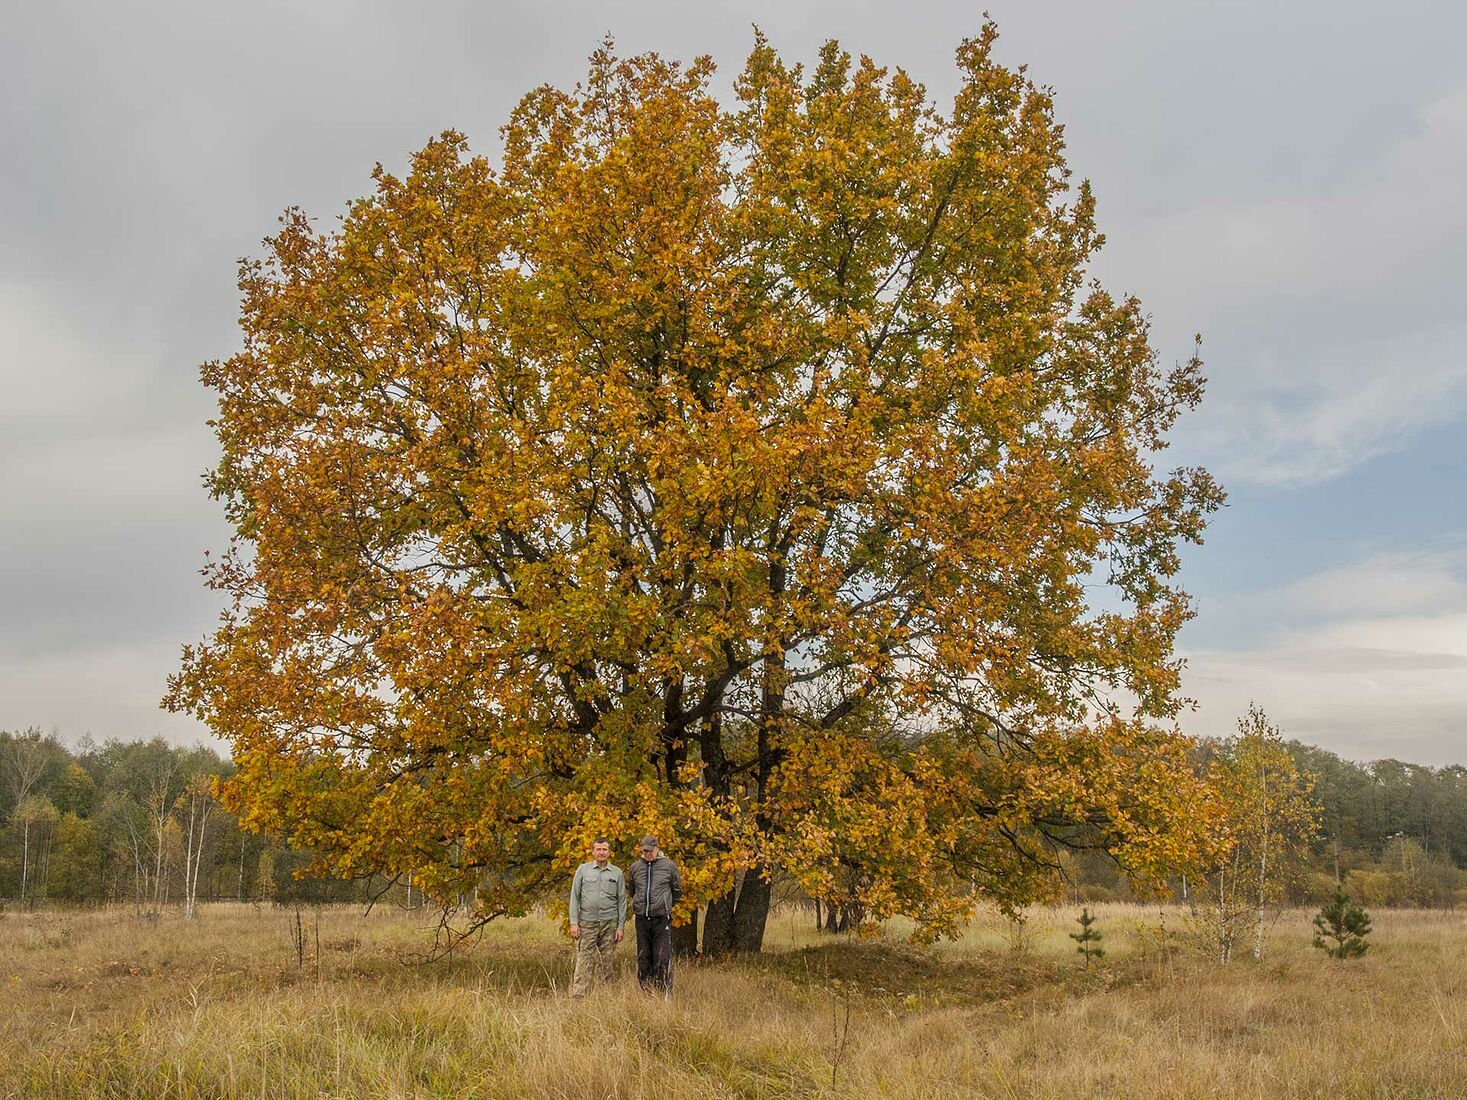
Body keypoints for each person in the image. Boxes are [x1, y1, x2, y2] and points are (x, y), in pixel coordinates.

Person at [568, 837, 626, 997]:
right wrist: (573, 923)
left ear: (609, 852)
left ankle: (604, 996)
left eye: (604, 849)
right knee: (583, 961)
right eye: (598, 849)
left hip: (609, 924)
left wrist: (620, 926)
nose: (601, 852)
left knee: (606, 962)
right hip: (587, 924)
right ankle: (578, 996)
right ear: (593, 851)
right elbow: (575, 897)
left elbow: (622, 901)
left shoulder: (617, 873)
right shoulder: (583, 870)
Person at [626, 834, 682, 993]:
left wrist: (666, 906)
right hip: (642, 919)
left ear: (657, 848)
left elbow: (677, 890)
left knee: (662, 958)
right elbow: (632, 890)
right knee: (644, 958)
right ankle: (647, 993)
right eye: (645, 851)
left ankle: (664, 993)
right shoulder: (635, 867)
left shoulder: (669, 866)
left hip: (661, 919)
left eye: (650, 850)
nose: (648, 854)